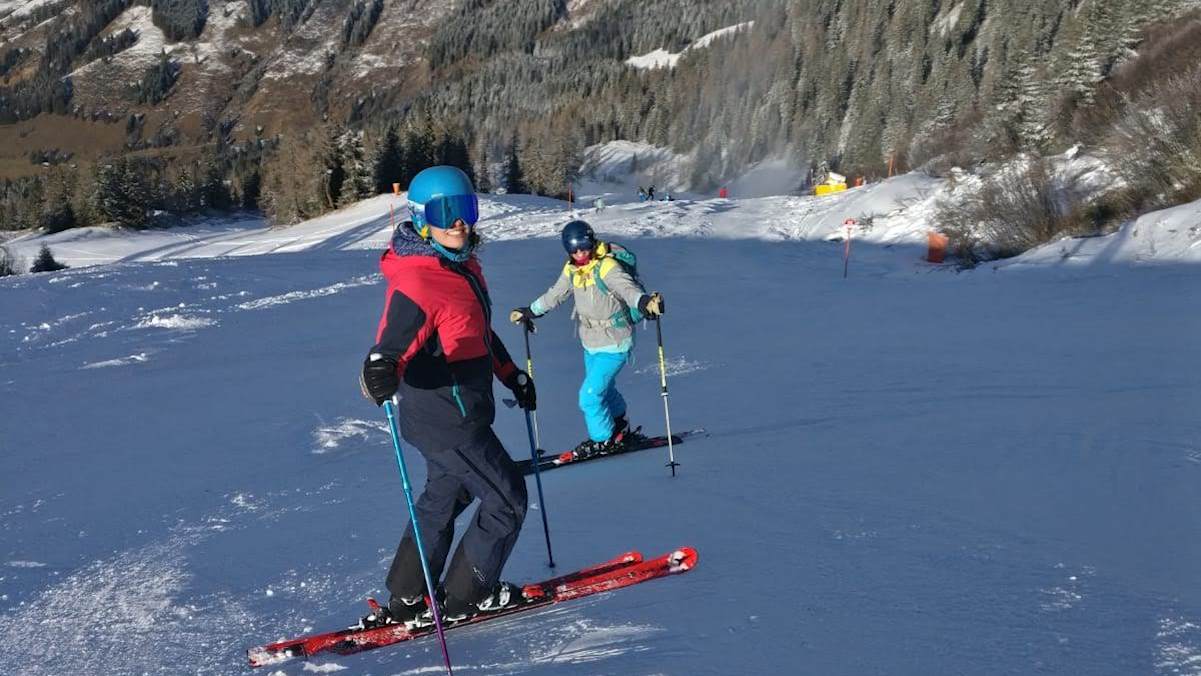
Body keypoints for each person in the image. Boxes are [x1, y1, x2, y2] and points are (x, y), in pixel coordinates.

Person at [359, 165, 536, 626]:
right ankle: (466, 595)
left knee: (443, 498)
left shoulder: (460, 266)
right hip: (450, 420)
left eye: (467, 209)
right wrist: (377, 371)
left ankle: (407, 596)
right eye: (446, 212)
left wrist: (510, 374)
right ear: (422, 219)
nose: (460, 222)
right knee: (507, 500)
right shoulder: (419, 281)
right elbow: (388, 349)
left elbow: (476, 332)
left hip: (441, 418)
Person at [509, 220, 664, 458]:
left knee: (589, 396)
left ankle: (603, 439)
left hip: (615, 342)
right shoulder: (572, 270)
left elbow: (627, 288)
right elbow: (555, 295)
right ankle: (619, 426)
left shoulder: (606, 267)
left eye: (584, 246)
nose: (580, 253)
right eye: (574, 249)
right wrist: (530, 310)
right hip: (590, 342)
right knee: (605, 388)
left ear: (592, 242)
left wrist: (644, 302)